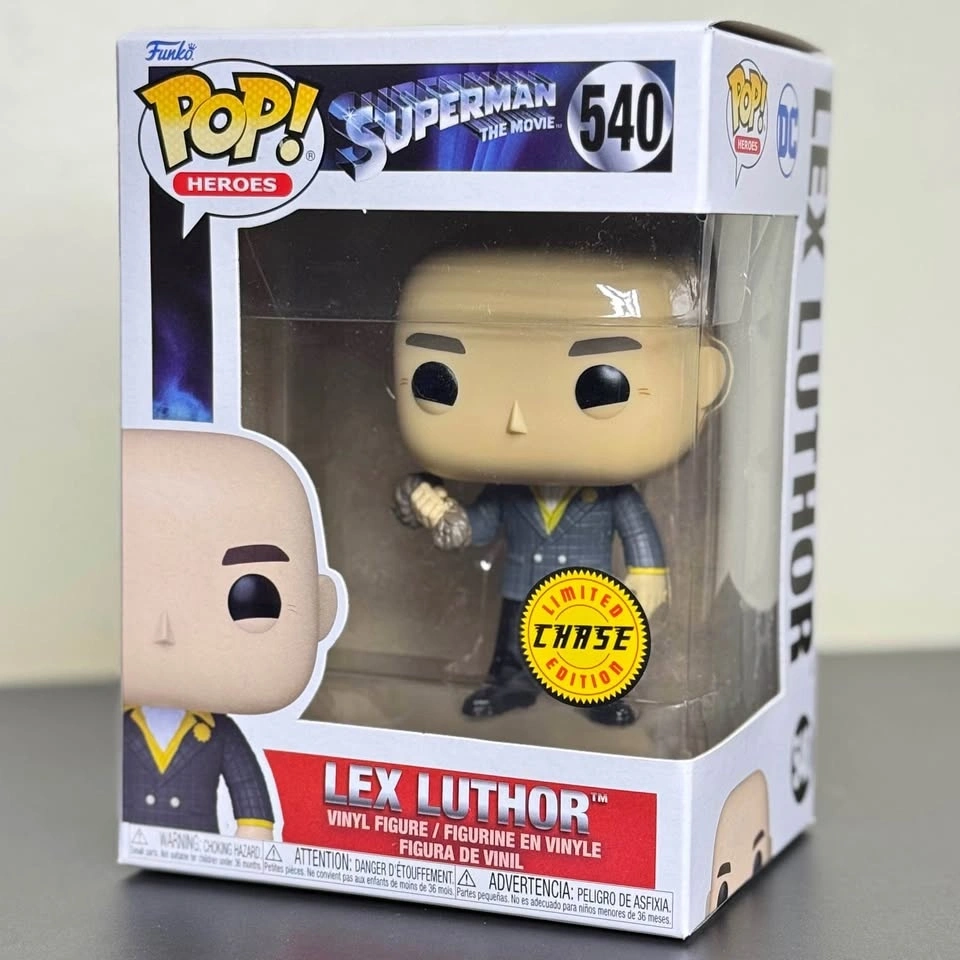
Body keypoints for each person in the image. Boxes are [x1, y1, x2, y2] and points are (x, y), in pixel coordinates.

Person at [393, 250, 728, 726]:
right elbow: (482, 524)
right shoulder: (508, 491)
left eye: (601, 386)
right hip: (521, 589)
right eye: (437, 382)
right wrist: (449, 519)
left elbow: (639, 534)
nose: (518, 422)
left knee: (596, 657)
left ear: (703, 378)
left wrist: (649, 576)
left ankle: (600, 694)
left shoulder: (612, 495)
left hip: (589, 599)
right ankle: (510, 685)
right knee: (512, 649)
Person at [122, 429, 339, 837]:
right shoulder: (116, 724)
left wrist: (253, 836)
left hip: (200, 852)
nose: (164, 630)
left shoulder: (217, 734)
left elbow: (248, 792)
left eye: (252, 597)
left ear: (321, 609)